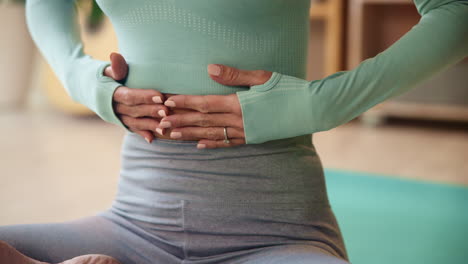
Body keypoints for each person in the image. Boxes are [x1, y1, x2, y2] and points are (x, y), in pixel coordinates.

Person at [1, 0, 467, 263]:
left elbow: (455, 12)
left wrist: (320, 103)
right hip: (133, 227)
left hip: (275, 237)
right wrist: (82, 79)